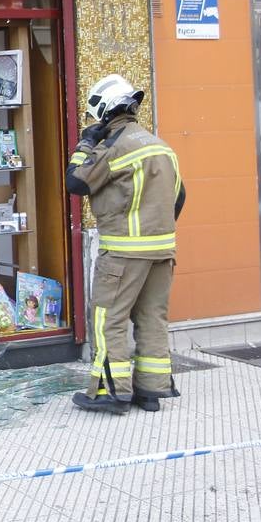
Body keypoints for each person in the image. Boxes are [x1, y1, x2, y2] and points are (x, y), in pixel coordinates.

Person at [66, 74, 186, 415]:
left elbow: (75, 182)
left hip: (123, 252)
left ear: (103, 112)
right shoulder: (161, 146)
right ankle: (151, 391)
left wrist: (85, 145)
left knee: (108, 317)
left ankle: (108, 391)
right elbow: (180, 196)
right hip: (163, 251)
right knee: (151, 317)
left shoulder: (115, 149)